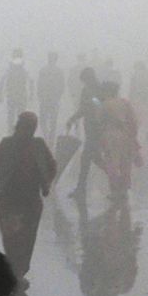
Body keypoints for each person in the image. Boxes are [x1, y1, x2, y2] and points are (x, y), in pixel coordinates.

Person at [0, 113, 56, 281]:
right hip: (9, 199)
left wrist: (46, 183)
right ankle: (15, 270)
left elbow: (52, 165)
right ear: (19, 127)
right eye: (26, 127)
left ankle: (20, 271)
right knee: (11, 238)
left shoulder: (39, 145)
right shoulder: (7, 144)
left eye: (31, 128)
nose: (28, 132)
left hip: (31, 200)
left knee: (28, 238)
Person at [96, 82, 140, 198]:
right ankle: (124, 190)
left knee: (112, 163)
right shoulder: (125, 103)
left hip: (110, 136)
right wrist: (133, 136)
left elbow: (99, 120)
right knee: (126, 163)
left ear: (107, 91)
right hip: (126, 135)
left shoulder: (105, 104)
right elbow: (133, 121)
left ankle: (115, 190)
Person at [63, 68, 102, 199]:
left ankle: (81, 188)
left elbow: (99, 104)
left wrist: (92, 101)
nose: (84, 83)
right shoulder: (89, 90)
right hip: (91, 127)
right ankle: (116, 180)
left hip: (95, 128)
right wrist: (72, 119)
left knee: (86, 158)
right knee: (95, 158)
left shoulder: (96, 90)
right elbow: (83, 108)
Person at [0, 50, 32, 133]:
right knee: (13, 116)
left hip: (17, 96)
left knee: (15, 116)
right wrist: (0, 94)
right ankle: (13, 132)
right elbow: (2, 81)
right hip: (16, 96)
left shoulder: (15, 70)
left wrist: (0, 94)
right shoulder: (13, 70)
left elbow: (30, 81)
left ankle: (15, 132)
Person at [36, 52, 64, 142]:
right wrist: (58, 95)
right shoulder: (58, 71)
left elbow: (39, 84)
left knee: (44, 119)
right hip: (52, 99)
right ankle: (50, 137)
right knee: (52, 120)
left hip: (46, 98)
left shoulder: (43, 70)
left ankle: (47, 136)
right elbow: (62, 85)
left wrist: (40, 95)